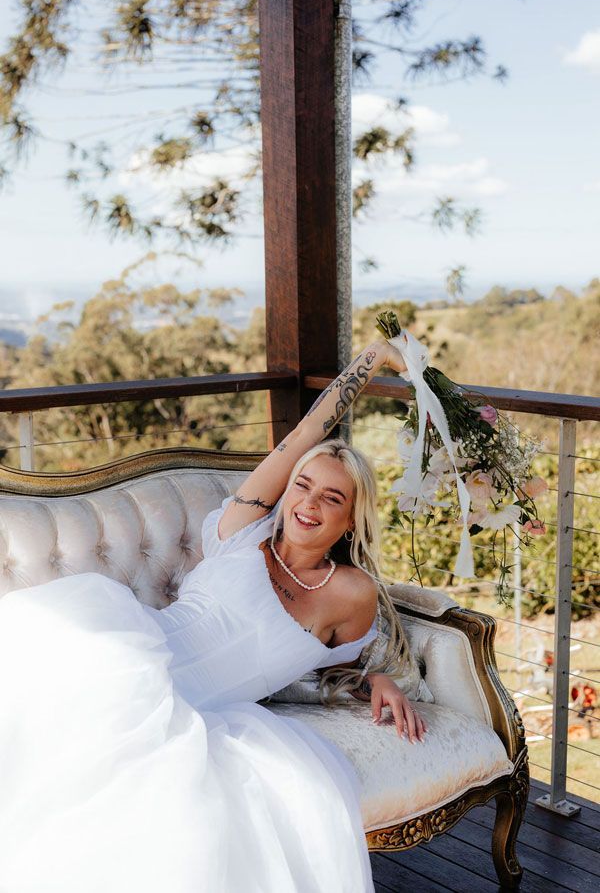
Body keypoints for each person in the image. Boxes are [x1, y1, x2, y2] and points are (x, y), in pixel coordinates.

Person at [0, 336, 426, 893]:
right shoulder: (241, 531)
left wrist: (378, 678)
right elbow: (303, 435)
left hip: (196, 707)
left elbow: (333, 661)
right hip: (134, 648)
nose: (309, 504)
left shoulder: (352, 594)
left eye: (333, 498)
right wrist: (368, 360)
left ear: (351, 520)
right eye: (303, 485)